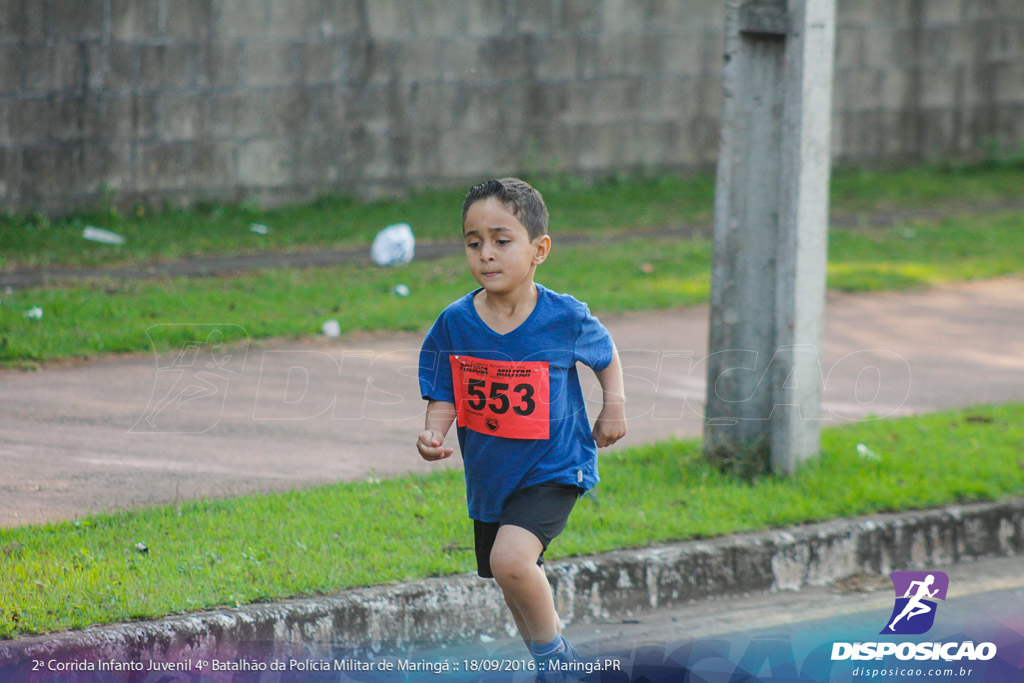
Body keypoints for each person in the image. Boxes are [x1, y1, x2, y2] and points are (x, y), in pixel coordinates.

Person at [416, 177, 626, 676]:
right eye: (474, 243)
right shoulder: (455, 322)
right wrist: (434, 433)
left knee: (511, 561)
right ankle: (551, 663)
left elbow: (606, 354)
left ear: (539, 250)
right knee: (505, 572)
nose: (486, 254)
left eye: (501, 240)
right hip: (491, 474)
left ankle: (560, 661)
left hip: (555, 465)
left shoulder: (563, 316)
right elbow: (446, 387)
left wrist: (613, 405)